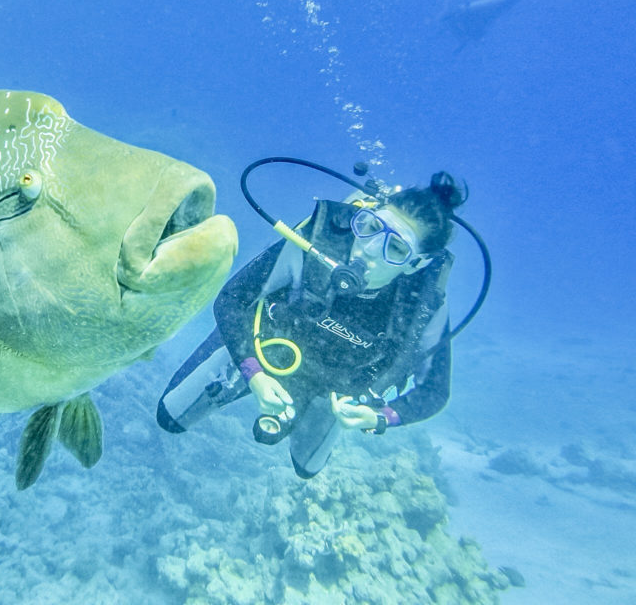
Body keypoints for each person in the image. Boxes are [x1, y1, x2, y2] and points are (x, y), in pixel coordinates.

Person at [157, 166, 473, 479]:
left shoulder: (422, 303)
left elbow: (434, 391)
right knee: (169, 418)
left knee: (306, 469)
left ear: (415, 264)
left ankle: (305, 411)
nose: (368, 249)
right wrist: (254, 373)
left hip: (329, 391)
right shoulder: (316, 241)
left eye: (396, 248)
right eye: (371, 226)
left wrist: (379, 417)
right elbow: (232, 299)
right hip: (263, 348)